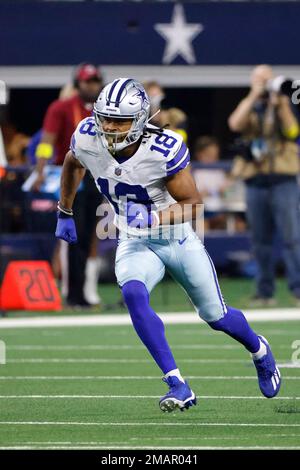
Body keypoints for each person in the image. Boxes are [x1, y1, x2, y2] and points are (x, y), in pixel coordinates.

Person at [55, 78, 281, 412]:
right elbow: (73, 163)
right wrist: (64, 210)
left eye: (119, 120)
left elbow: (193, 203)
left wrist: (155, 220)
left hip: (176, 237)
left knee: (215, 316)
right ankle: (177, 383)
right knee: (132, 294)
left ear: (141, 119)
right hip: (134, 239)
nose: (109, 127)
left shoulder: (162, 149)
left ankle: (259, 350)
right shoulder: (88, 136)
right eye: (105, 117)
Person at [228, 65, 300, 305]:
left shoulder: (283, 104)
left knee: (292, 238)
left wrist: (281, 103)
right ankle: (264, 291)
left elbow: (292, 131)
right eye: (260, 79)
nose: (265, 83)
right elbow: (234, 124)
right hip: (255, 181)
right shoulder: (250, 106)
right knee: (260, 241)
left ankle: (298, 290)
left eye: (267, 79)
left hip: (283, 180)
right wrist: (253, 94)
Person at [34, 63, 104, 307]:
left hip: (97, 178)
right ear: (77, 84)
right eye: (86, 81)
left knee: (89, 238)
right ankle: (72, 293)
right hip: (72, 176)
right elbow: (47, 141)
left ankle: (84, 292)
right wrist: (40, 170)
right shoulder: (62, 108)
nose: (91, 85)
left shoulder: (103, 109)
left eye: (94, 81)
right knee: (72, 237)